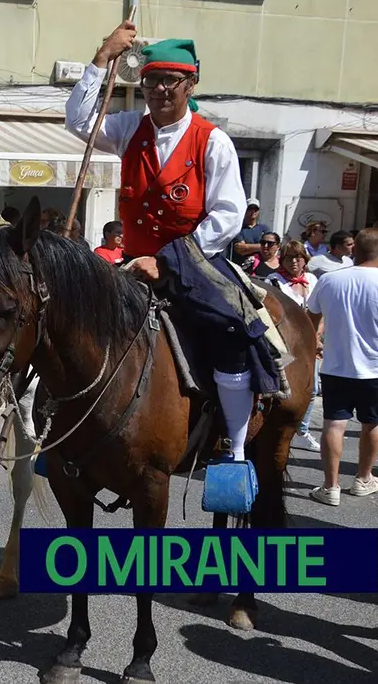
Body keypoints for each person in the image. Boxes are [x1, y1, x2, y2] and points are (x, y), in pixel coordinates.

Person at [67, 26, 272, 470]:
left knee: (230, 332)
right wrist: (102, 57)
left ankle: (235, 448)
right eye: (152, 79)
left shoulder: (211, 140)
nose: (160, 89)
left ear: (191, 84)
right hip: (132, 262)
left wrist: (169, 261)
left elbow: (228, 214)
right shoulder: (126, 128)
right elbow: (79, 120)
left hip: (196, 261)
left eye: (171, 80)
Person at [305, 228, 378, 505]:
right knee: (372, 423)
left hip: (336, 365)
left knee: (334, 424)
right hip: (374, 368)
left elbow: (310, 317)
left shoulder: (331, 280)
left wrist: (314, 342)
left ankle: (330, 486)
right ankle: (363, 479)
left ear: (354, 250)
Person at [264, 240, 320, 450]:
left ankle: (302, 429)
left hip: (310, 341)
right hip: (285, 342)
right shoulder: (274, 281)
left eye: (298, 257)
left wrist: (317, 336)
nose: (294, 262)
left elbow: (319, 312)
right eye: (289, 258)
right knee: (283, 386)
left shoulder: (312, 280)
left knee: (312, 388)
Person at [229, 198, 268, 266]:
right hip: (240, 267)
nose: (253, 211)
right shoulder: (238, 228)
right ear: (245, 210)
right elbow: (242, 250)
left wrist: (248, 247)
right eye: (250, 209)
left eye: (255, 209)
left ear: (258, 211)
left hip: (259, 267)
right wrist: (262, 247)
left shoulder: (264, 229)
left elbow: (269, 250)